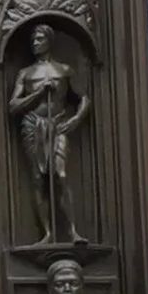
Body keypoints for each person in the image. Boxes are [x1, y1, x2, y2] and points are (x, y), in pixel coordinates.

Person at [10, 24, 90, 245]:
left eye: (39, 39)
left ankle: (73, 232)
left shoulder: (64, 70)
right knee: (38, 179)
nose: (35, 44)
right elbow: (13, 106)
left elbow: (83, 97)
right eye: (33, 41)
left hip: (59, 124)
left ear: (49, 41)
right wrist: (37, 93)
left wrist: (76, 119)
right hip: (33, 125)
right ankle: (47, 233)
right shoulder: (25, 74)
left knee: (60, 176)